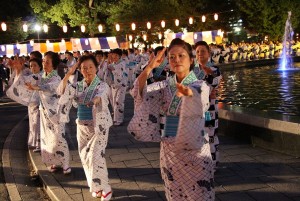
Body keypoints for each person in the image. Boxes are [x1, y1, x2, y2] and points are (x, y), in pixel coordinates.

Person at [128, 38, 214, 200]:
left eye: (181, 55)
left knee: (200, 194)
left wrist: (188, 94)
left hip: (194, 151)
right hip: (170, 151)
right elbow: (139, 92)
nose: (176, 60)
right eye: (172, 57)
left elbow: (198, 98)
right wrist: (150, 67)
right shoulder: (164, 85)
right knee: (174, 194)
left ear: (191, 59)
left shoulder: (200, 84)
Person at [57, 55, 113, 200]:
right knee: (85, 157)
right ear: (80, 70)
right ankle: (95, 186)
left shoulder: (102, 85)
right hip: (82, 126)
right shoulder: (77, 86)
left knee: (96, 156)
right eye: (84, 68)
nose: (87, 70)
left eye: (90, 67)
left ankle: (105, 188)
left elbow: (102, 94)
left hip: (98, 126)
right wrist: (69, 73)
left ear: (96, 68)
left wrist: (96, 99)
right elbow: (61, 92)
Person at [26, 51, 71, 175]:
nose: (44, 64)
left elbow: (51, 87)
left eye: (47, 62)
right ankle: (54, 162)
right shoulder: (42, 76)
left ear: (54, 65)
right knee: (48, 138)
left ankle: (66, 163)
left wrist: (36, 87)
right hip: (45, 112)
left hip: (56, 113)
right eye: (43, 61)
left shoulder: (56, 78)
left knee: (59, 137)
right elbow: (31, 79)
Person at [194, 41, 222, 172]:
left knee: (211, 135)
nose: (200, 54)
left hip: (210, 108)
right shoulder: (192, 70)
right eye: (198, 51)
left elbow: (215, 82)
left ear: (209, 53)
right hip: (197, 109)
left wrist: (208, 71)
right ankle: (202, 163)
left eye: (203, 51)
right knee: (199, 135)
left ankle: (213, 164)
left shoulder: (214, 69)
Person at [107, 48, 128, 126]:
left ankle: (118, 120)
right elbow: (107, 67)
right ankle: (116, 118)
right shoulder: (113, 63)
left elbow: (118, 72)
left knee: (119, 102)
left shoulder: (122, 63)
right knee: (113, 102)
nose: (114, 57)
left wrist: (112, 68)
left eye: (116, 55)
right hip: (114, 85)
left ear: (120, 56)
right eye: (113, 55)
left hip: (121, 85)